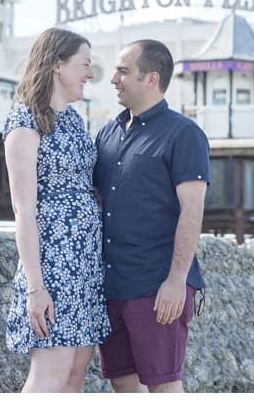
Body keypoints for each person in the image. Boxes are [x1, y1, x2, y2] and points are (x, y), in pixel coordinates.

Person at [93, 39, 210, 393]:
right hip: (111, 286)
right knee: (122, 383)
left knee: (164, 386)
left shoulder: (184, 134)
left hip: (157, 285)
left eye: (123, 71)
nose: (113, 78)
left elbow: (192, 210)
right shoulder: (107, 133)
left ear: (151, 78)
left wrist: (176, 281)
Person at [3, 27, 111, 392]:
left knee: (75, 376)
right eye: (84, 64)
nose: (90, 74)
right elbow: (24, 210)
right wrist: (36, 287)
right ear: (56, 65)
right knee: (51, 375)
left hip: (85, 266)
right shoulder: (25, 121)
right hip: (53, 264)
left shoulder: (75, 121)